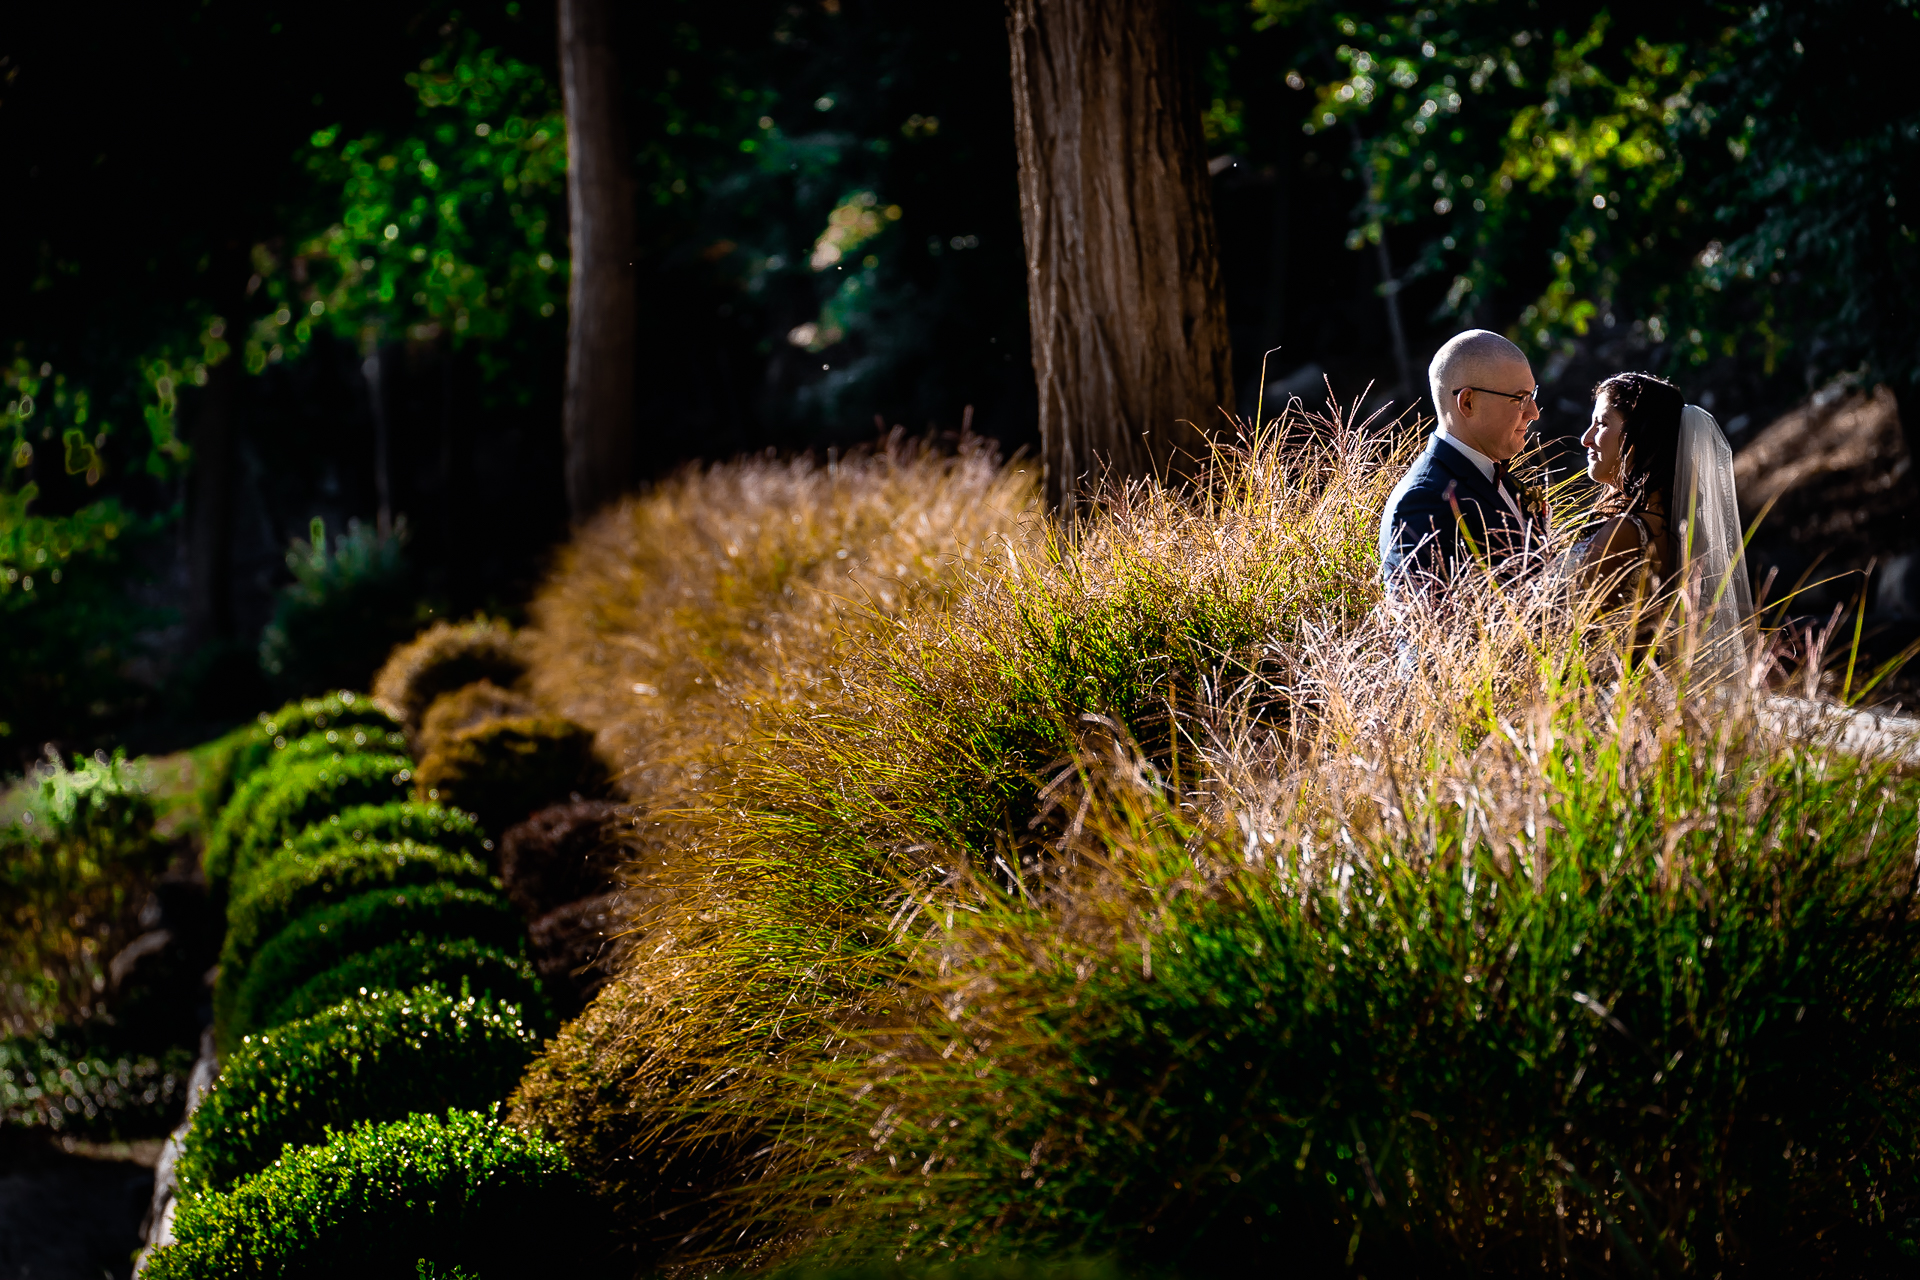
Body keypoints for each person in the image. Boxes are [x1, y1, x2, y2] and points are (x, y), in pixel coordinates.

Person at [1573, 370, 1755, 681]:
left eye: (1602, 424)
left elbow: (1566, 628)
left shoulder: (1625, 533)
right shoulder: (1675, 532)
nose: (1586, 438)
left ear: (1641, 437)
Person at [1378, 330, 1548, 587]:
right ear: (1468, 402)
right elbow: (1429, 620)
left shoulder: (1506, 484)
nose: (1533, 413)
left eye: (1532, 396)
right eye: (1521, 398)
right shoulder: (1424, 499)